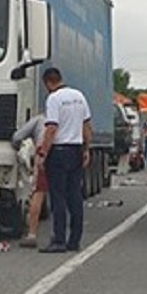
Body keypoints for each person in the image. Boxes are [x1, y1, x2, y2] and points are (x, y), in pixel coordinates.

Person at [36, 67, 92, 253]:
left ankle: (58, 239)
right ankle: (74, 240)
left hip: (59, 151)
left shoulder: (54, 99)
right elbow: (86, 126)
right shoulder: (79, 96)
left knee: (58, 197)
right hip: (76, 149)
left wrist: (43, 153)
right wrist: (86, 149)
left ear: (48, 83)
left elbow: (52, 128)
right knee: (74, 196)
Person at [11, 112, 48, 248]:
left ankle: (32, 234)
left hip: (44, 154)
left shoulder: (40, 120)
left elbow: (17, 137)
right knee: (63, 195)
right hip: (67, 154)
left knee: (38, 192)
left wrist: (16, 146)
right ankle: (67, 236)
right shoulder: (68, 118)